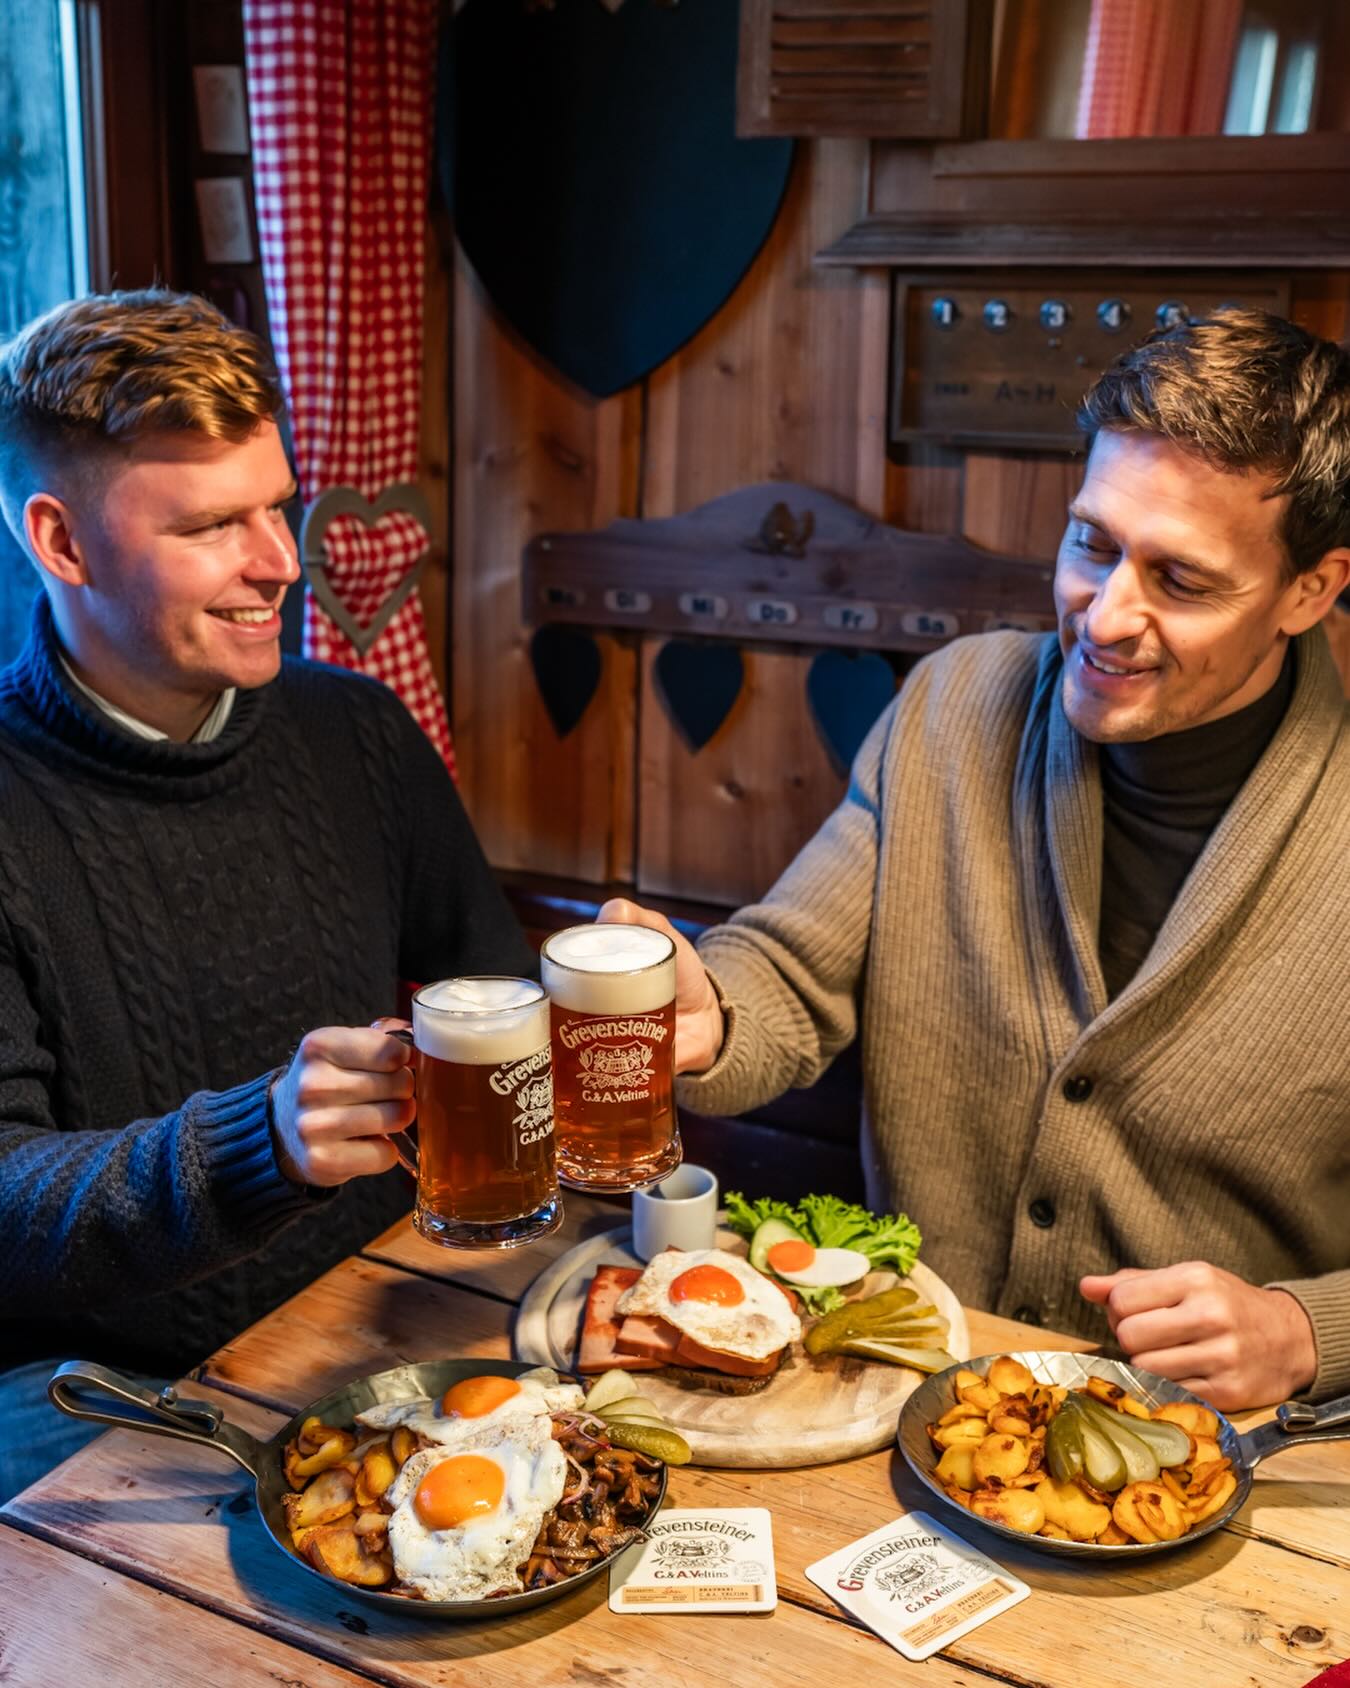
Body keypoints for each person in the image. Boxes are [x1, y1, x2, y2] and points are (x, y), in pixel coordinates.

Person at [602, 308, 1350, 1412]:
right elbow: (789, 972)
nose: (1107, 613)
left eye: (1182, 581)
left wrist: (1305, 1328)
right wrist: (709, 1003)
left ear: (1311, 590)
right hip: (918, 1411)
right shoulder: (956, 704)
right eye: (1093, 543)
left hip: (1221, 1467)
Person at [0, 290, 534, 1496]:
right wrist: (263, 1141)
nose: (281, 565)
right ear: (63, 541)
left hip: (372, 1321)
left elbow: (494, 989)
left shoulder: (356, 729)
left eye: (279, 507)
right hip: (87, 1383)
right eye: (210, 527)